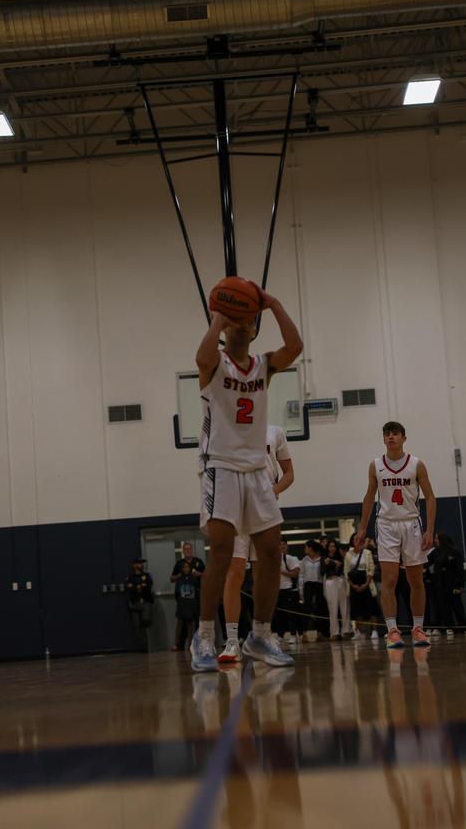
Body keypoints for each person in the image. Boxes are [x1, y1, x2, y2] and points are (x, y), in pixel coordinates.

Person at [190, 288, 303, 672]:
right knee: (222, 554)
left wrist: (274, 304)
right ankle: (205, 635)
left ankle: (260, 635)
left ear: (255, 329)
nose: (243, 324)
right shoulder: (214, 364)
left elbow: (295, 347)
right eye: (236, 320)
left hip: (256, 470)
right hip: (220, 466)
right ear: (226, 327)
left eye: (248, 320)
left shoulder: (263, 365)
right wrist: (219, 316)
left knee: (270, 551)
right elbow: (201, 357)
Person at [355, 421, 436, 649]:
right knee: (389, 580)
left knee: (415, 580)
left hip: (411, 523)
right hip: (387, 525)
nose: (391, 437)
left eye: (395, 434)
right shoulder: (375, 465)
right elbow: (369, 497)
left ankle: (418, 629)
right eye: (387, 434)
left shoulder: (417, 464)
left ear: (404, 438)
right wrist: (362, 528)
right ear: (383, 439)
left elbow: (430, 497)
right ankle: (392, 631)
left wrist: (429, 530)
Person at [218, 424, 294, 663]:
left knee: (263, 577)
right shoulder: (226, 430)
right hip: (237, 507)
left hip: (265, 508)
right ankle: (232, 642)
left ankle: (262, 635)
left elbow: (289, 473)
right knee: (235, 574)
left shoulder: (275, 432)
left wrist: (275, 489)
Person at [427, 533, 466, 636]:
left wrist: (460, 585)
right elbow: (426, 563)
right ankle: (449, 627)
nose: (436, 541)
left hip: (453, 583)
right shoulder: (435, 552)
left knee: (457, 605)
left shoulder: (455, 552)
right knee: (444, 606)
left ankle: (464, 626)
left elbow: (460, 570)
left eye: (437, 539)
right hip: (440, 584)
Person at [345, 533, 378, 639]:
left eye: (359, 539)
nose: (357, 541)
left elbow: (371, 569)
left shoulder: (367, 552)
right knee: (357, 610)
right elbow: (346, 572)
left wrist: (366, 584)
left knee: (372, 608)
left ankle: (374, 631)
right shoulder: (348, 554)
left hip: (366, 582)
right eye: (355, 539)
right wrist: (353, 585)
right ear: (352, 541)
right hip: (354, 585)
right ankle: (358, 632)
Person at [322, 538, 351, 640]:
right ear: (328, 547)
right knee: (332, 607)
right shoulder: (324, 558)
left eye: (334, 546)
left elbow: (344, 569)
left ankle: (346, 631)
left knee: (344, 606)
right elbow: (322, 571)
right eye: (330, 546)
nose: (332, 548)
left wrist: (337, 564)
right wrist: (327, 563)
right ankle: (334, 632)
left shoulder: (341, 557)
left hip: (340, 580)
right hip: (329, 582)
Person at [124, 558, 154, 652]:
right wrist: (140, 586)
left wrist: (135, 586)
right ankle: (144, 648)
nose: (141, 565)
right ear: (134, 565)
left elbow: (148, 585)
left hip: (146, 601)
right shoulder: (130, 577)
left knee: (146, 619)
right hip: (135, 603)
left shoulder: (146, 575)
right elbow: (128, 587)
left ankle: (145, 626)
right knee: (137, 626)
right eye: (139, 563)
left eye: (142, 563)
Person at [273, 539, 300, 640]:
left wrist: (283, 572)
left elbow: (296, 573)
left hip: (287, 588)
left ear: (287, 546)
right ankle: (280, 635)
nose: (282, 546)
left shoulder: (291, 558)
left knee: (290, 614)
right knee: (278, 614)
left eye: (283, 544)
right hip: (276, 589)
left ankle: (293, 635)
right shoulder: (273, 559)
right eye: (280, 544)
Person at [298, 539, 324, 638]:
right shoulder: (304, 560)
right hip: (308, 585)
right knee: (306, 609)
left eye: (306, 547)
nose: (304, 549)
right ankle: (304, 633)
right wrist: (301, 589)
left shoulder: (321, 559)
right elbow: (301, 575)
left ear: (311, 548)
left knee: (319, 608)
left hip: (319, 585)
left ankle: (319, 633)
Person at [173, 560, 199, 651]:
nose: (186, 569)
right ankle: (176, 644)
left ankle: (190, 645)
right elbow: (176, 593)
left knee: (190, 625)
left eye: (188, 567)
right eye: (184, 567)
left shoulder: (194, 579)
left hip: (191, 605)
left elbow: (197, 593)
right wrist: (180, 602)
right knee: (179, 624)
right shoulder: (179, 579)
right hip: (182, 604)